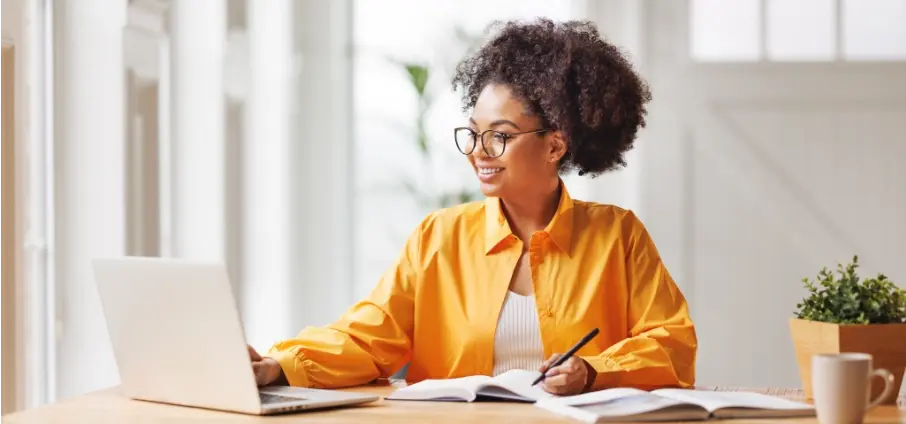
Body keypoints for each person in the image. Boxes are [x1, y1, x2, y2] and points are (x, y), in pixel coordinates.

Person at [249, 18, 697, 396]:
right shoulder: (439, 236)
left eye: (499, 136)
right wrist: (279, 364)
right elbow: (368, 338)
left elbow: (671, 344)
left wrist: (594, 371)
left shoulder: (617, 235)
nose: (478, 152)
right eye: (473, 132)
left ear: (555, 145)